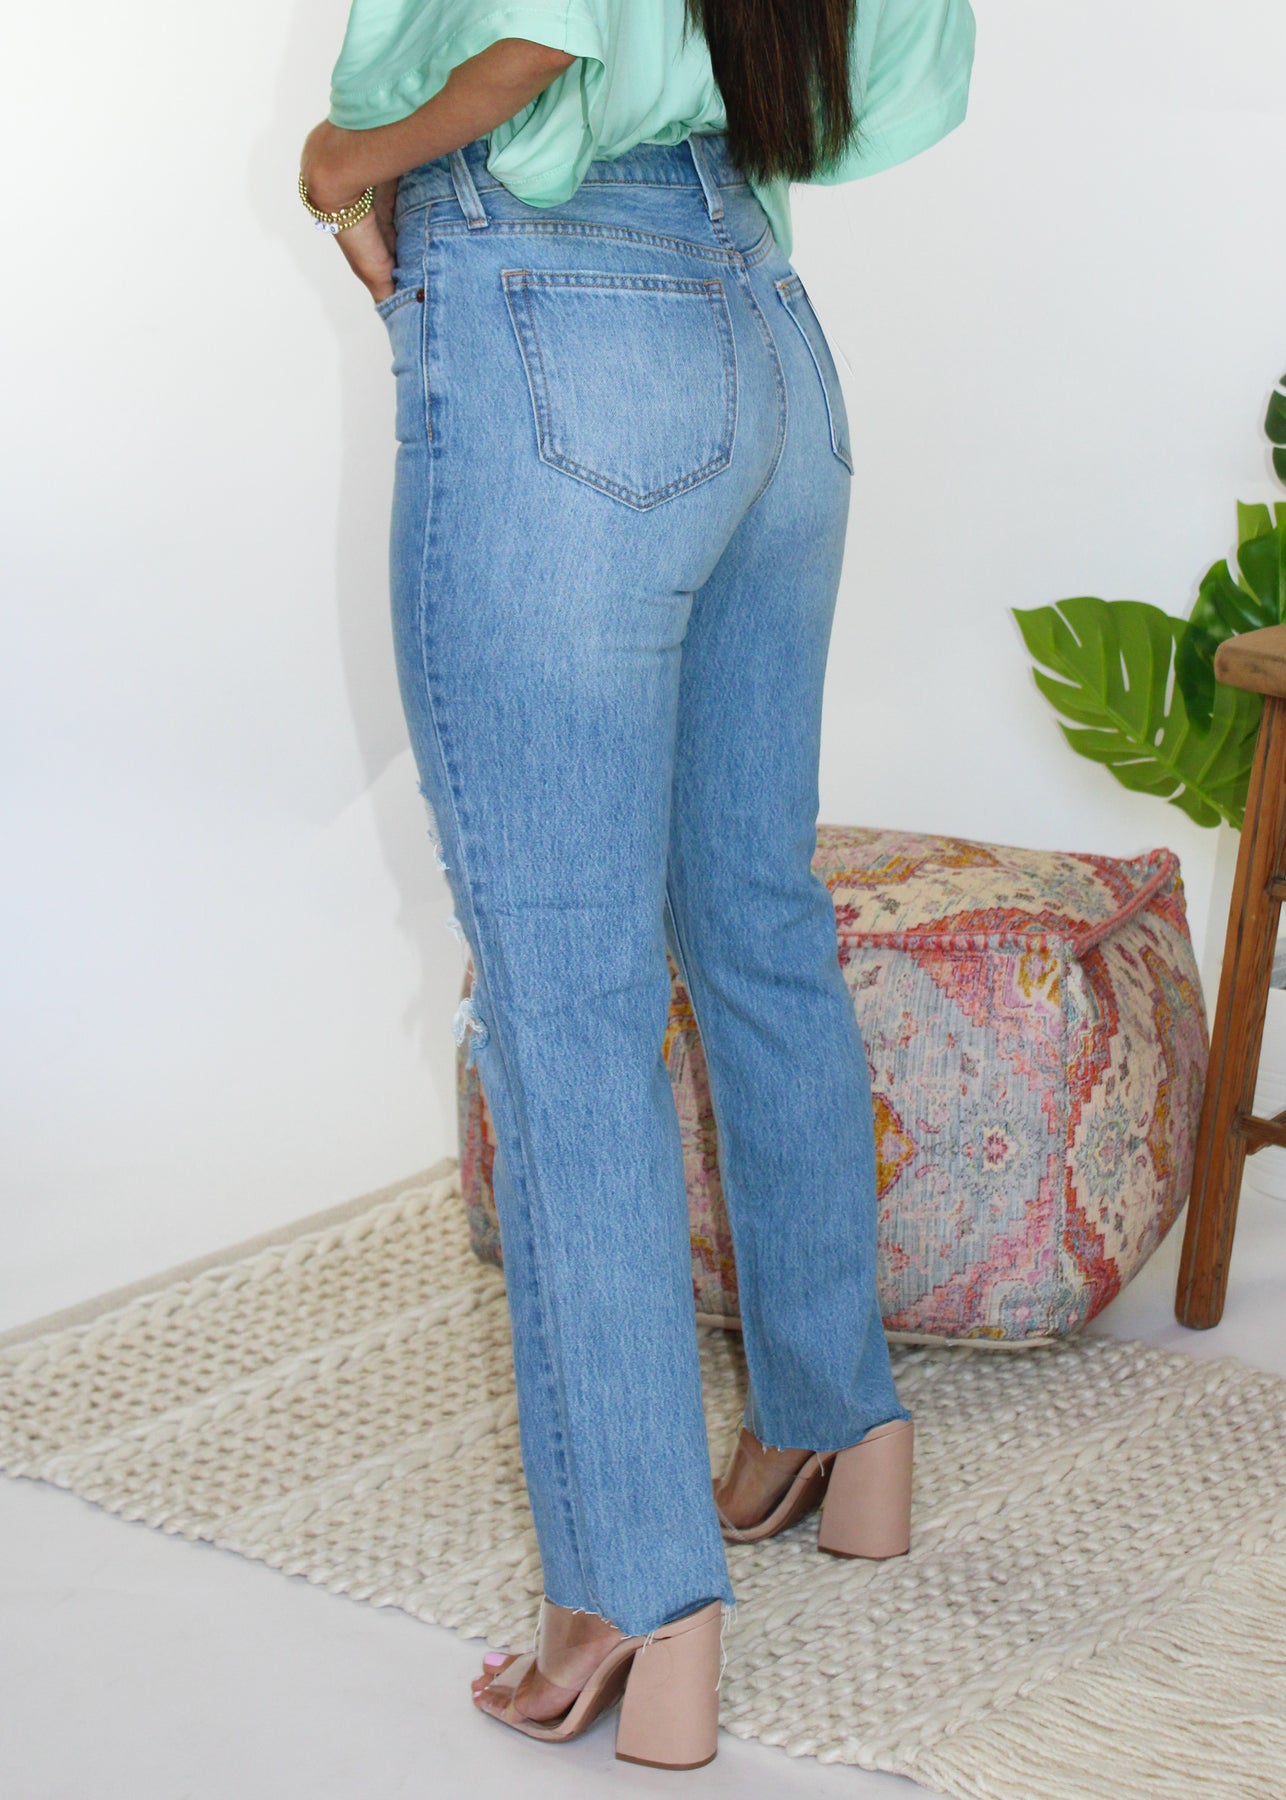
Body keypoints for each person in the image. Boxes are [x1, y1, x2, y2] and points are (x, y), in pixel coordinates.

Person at [299, 0, 975, 1770]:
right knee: (756, 925)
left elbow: (540, 30)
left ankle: (628, 1591)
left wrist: (348, 163)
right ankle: (841, 1431)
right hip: (761, 330)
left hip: (556, 325)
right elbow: (898, 65)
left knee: (569, 1006)